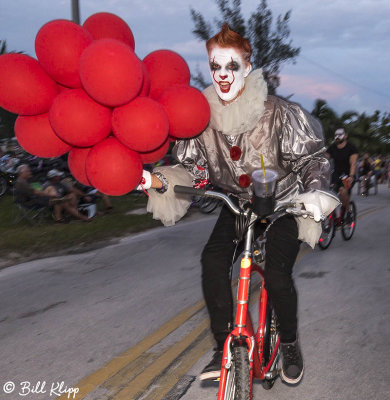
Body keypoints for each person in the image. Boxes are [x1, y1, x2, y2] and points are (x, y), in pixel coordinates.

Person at [137, 24, 337, 385]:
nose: (223, 75)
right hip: (238, 205)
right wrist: (157, 180)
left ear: (247, 67)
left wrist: (314, 192)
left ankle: (289, 342)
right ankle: (221, 347)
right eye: (215, 66)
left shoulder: (279, 112)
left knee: (276, 276)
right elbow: (195, 173)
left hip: (285, 203)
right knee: (212, 261)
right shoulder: (199, 116)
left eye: (231, 66)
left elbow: (313, 160)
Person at [325, 129, 358, 216]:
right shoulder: (332, 147)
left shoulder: (351, 148)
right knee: (329, 193)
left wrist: (351, 176)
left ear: (345, 135)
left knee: (343, 191)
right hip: (336, 175)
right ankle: (333, 218)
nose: (337, 137)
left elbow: (353, 163)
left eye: (340, 134)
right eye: (336, 135)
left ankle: (348, 211)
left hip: (347, 175)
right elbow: (324, 157)